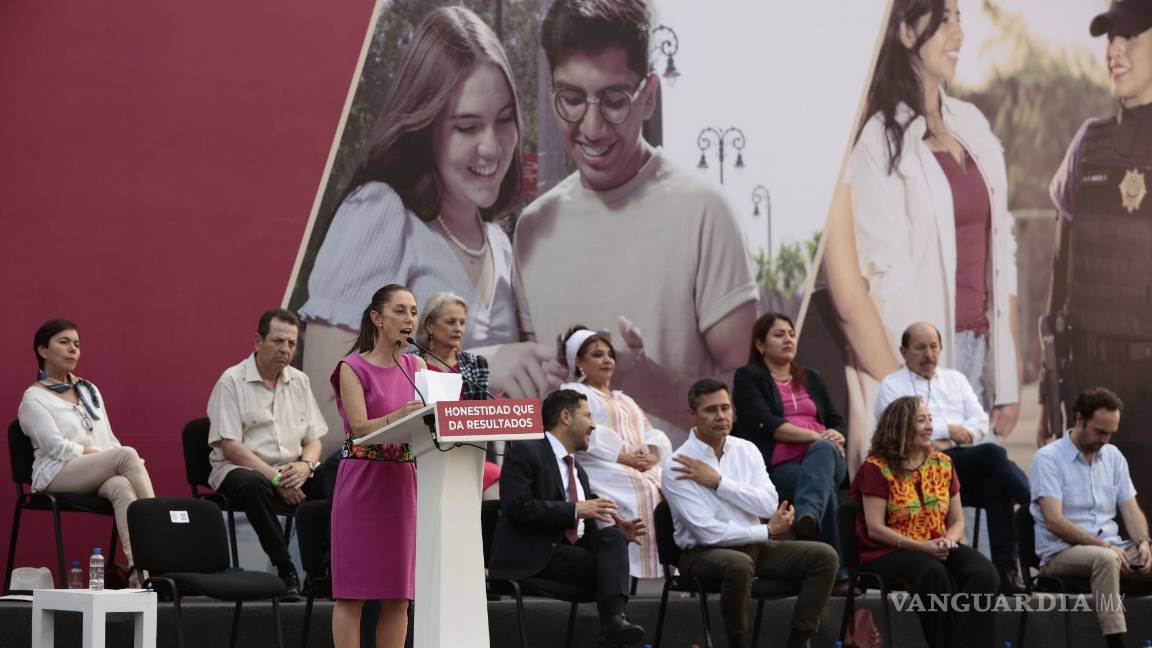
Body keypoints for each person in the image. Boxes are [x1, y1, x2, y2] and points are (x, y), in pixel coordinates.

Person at [298, 6, 562, 454]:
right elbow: (326, 419)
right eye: (467, 126)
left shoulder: (500, 241)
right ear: (425, 126)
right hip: (408, 504)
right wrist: (478, 368)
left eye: (504, 119)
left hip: (495, 506)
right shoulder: (380, 212)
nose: (492, 146)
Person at [513, 0, 757, 440]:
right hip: (567, 502)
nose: (591, 126)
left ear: (648, 97)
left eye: (614, 100)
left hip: (677, 500)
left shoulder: (705, 212)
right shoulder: (532, 228)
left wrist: (657, 388)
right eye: (571, 98)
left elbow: (757, 405)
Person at [822, 0, 1020, 475]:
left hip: (980, 347)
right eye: (944, 19)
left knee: (980, 516)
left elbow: (1004, 250)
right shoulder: (879, 142)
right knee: (936, 513)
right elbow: (885, 277)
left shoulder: (972, 123)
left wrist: (1007, 373)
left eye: (960, 19)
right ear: (908, 33)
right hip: (930, 355)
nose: (958, 33)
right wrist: (920, 388)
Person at [1039, 1, 1152, 514]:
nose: (1115, 51)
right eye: (1109, 39)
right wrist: (1049, 381)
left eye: (1129, 36)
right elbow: (1060, 279)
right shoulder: (1088, 142)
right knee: (1094, 548)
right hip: (1089, 381)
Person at [662, 378, 838, 648]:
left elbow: (768, 504)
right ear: (692, 415)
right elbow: (706, 532)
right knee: (738, 564)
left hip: (755, 546)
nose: (721, 416)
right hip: (701, 554)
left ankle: (799, 640)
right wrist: (766, 530)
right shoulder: (678, 465)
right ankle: (738, 643)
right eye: (710, 410)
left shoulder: (746, 449)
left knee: (824, 556)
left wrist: (719, 483)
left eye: (725, 408)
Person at [873, 322, 1030, 593]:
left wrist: (946, 437)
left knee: (995, 487)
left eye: (934, 347)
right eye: (920, 347)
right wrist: (950, 430)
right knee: (992, 453)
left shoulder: (954, 379)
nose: (929, 354)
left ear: (942, 348)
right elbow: (900, 430)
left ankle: (1006, 574)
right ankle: (1034, 503)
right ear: (903, 351)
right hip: (917, 471)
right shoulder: (892, 385)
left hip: (956, 465)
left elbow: (980, 422)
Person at [489, 389, 647, 647]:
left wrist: (619, 532)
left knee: (613, 539)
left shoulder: (578, 470)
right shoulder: (526, 452)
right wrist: (575, 509)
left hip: (567, 552)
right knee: (606, 572)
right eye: (588, 415)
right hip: (533, 554)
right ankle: (613, 625)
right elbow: (517, 508)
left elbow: (587, 531)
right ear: (565, 416)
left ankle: (615, 621)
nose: (594, 425)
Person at [850, 396, 998, 648]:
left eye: (930, 419)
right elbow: (875, 529)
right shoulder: (876, 468)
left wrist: (947, 542)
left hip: (937, 545)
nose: (929, 426)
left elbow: (957, 521)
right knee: (934, 574)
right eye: (921, 420)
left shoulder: (943, 463)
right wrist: (924, 548)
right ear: (899, 426)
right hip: (888, 549)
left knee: (984, 574)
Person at [18, 318, 156, 579]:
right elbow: (57, 448)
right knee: (126, 455)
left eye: (77, 344)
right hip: (56, 473)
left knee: (122, 486)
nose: (73, 349)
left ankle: (144, 572)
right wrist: (115, 459)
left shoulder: (88, 389)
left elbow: (108, 439)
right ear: (43, 350)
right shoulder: (33, 398)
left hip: (93, 470)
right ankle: (162, 535)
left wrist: (122, 462)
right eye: (64, 342)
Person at [329, 284, 427, 648]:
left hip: (403, 484)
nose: (409, 319)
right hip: (363, 482)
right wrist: (398, 416)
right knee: (352, 595)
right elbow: (359, 428)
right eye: (400, 311)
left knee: (398, 596)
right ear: (377, 317)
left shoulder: (418, 366)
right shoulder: (352, 368)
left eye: (414, 311)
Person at [206, 308, 327, 597]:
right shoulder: (231, 381)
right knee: (253, 484)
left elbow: (315, 440)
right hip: (243, 472)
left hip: (292, 473)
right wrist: (276, 479)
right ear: (258, 341)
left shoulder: (300, 381)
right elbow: (232, 447)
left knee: (335, 474)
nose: (286, 349)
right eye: (278, 341)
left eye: (292, 343)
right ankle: (285, 568)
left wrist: (306, 467)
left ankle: (322, 570)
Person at [731, 312, 850, 590]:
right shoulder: (750, 377)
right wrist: (816, 436)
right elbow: (765, 423)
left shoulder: (812, 378)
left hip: (827, 458)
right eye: (779, 334)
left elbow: (838, 421)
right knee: (825, 490)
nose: (788, 339)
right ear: (761, 345)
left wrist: (836, 435)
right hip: (781, 464)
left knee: (821, 456)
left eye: (791, 334)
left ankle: (807, 519)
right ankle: (835, 574)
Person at [1031, 387, 1152, 648]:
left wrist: (1143, 542)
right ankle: (1116, 643)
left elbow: (1131, 510)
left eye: (1110, 433)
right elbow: (1054, 520)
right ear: (1078, 420)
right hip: (1061, 553)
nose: (1106, 440)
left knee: (1123, 556)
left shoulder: (1113, 457)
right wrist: (1104, 546)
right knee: (1106, 559)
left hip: (1112, 548)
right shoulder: (1048, 459)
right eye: (1100, 431)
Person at [558, 326, 671, 579]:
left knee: (670, 484)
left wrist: (652, 455)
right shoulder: (575, 394)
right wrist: (623, 457)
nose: (607, 360)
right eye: (597, 355)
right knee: (643, 487)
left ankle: (668, 567)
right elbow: (582, 432)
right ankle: (629, 568)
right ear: (579, 361)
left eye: (610, 354)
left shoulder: (625, 399)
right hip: (597, 465)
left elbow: (650, 432)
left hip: (637, 465)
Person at [414, 291, 501, 493]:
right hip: (424, 454)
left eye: (462, 322)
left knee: (493, 474)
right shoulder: (411, 363)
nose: (458, 329)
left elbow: (482, 414)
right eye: (451, 322)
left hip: (468, 452)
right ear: (429, 326)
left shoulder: (475, 363)